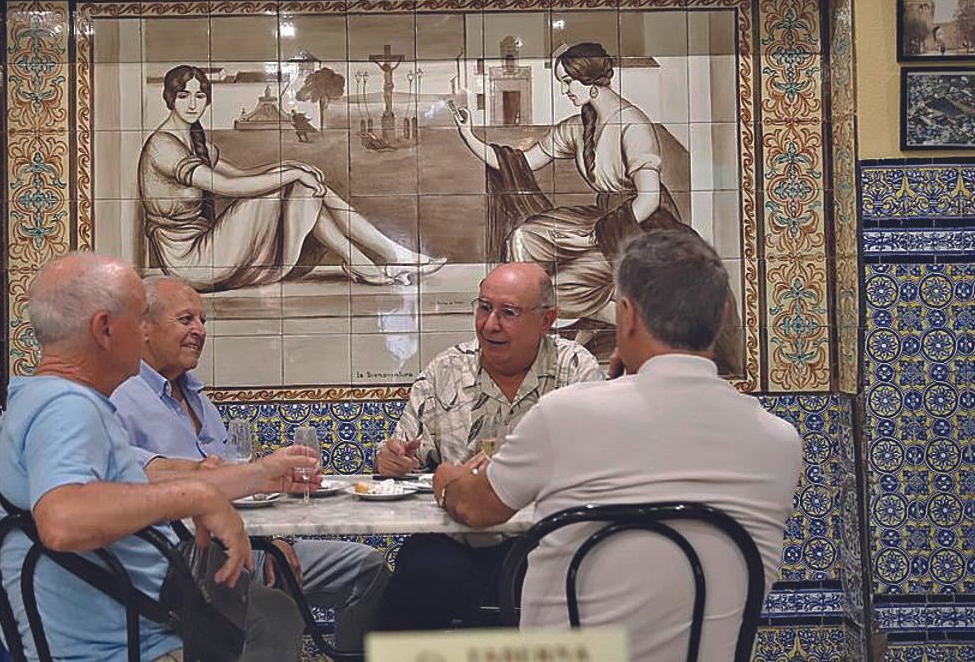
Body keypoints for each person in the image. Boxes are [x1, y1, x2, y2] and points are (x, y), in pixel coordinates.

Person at [435, 231, 803, 662]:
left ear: (626, 315)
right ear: (721, 317)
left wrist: (448, 479)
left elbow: (476, 509)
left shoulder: (565, 415)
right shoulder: (780, 442)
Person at [0, 252, 309, 662]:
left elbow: (131, 485)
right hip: (131, 647)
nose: (146, 332)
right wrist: (196, 498)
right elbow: (62, 519)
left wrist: (254, 475)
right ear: (104, 329)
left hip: (127, 628)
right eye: (139, 319)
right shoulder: (67, 409)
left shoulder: (43, 399)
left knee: (268, 609)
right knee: (271, 614)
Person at [113, 275, 391, 654]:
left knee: (369, 569)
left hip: (248, 545)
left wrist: (274, 538)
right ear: (144, 327)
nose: (200, 331)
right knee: (276, 614)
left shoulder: (196, 396)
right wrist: (220, 475)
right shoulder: (120, 394)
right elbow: (134, 475)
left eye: (203, 321)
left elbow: (238, 486)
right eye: (186, 319)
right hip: (184, 567)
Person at [451, 40, 741, 373]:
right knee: (524, 236)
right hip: (603, 217)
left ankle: (611, 324)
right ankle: (579, 324)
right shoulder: (579, 126)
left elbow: (648, 200)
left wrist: (597, 236)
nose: (564, 90)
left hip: (638, 227)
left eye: (567, 82)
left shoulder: (633, 125)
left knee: (554, 289)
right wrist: (469, 135)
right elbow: (520, 163)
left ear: (590, 83)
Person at [374, 262, 602, 631]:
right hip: (456, 541)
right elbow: (402, 457)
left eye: (508, 313)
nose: (489, 324)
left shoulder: (575, 370)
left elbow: (598, 463)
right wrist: (391, 461)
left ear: (547, 321)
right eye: (484, 307)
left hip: (545, 543)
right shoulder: (445, 370)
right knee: (408, 591)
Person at [138, 64, 444, 287]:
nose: (193, 104)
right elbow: (231, 187)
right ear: (169, 98)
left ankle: (379, 260)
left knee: (304, 188)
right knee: (299, 184)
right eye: (184, 95)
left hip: (210, 248)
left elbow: (244, 173)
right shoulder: (163, 145)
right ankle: (385, 258)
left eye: (199, 95)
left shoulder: (195, 139)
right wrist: (293, 172)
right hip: (190, 262)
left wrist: (290, 167)